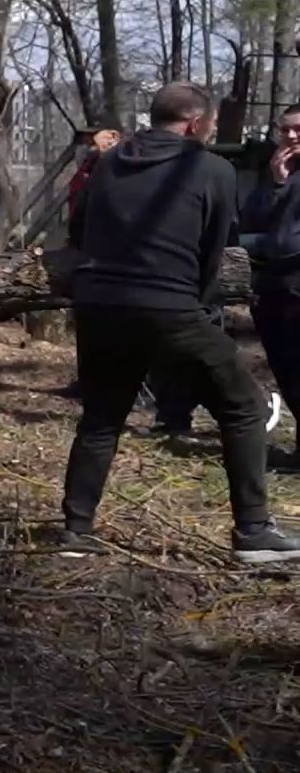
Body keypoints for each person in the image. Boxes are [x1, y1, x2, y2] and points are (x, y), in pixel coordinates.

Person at [63, 82, 300, 561]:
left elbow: (78, 226)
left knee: (103, 417)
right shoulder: (211, 168)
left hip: (99, 305)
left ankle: (75, 531)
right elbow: (218, 247)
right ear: (196, 124)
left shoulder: (109, 163)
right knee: (245, 406)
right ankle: (253, 531)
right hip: (169, 306)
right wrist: (201, 299)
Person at [244, 103, 300, 464]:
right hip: (275, 283)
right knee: (286, 367)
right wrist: (277, 183)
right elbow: (250, 218)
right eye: (286, 130)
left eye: (298, 130)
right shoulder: (277, 173)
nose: (291, 136)